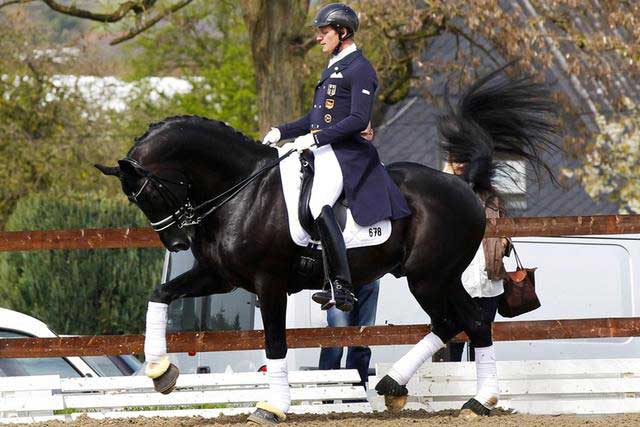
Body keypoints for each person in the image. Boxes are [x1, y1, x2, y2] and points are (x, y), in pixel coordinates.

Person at [262, 3, 411, 313]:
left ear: (342, 32)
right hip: (324, 148)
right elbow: (316, 118)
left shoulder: (360, 69)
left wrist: (314, 138)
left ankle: (340, 285)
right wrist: (282, 131)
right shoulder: (334, 65)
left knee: (318, 205)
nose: (319, 37)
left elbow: (358, 119)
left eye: (324, 32)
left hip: (346, 154)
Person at [444, 161, 509, 415]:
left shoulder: (491, 196)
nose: (461, 164)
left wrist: (504, 241)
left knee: (482, 335)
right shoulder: (445, 189)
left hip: (488, 275)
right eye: (455, 160)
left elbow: (504, 225)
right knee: (453, 336)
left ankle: (481, 390)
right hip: (460, 276)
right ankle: (450, 391)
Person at [319, 279, 379, 391]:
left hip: (369, 275)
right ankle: (326, 391)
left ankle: (356, 393)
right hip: (339, 279)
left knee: (363, 337)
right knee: (336, 334)